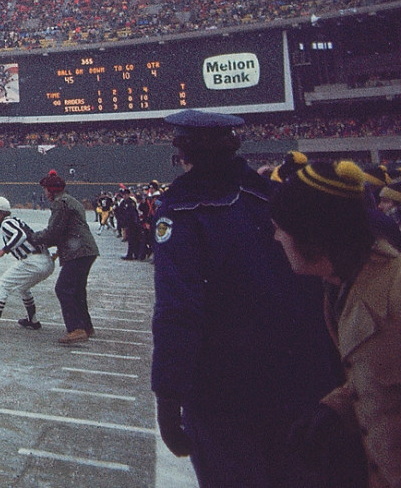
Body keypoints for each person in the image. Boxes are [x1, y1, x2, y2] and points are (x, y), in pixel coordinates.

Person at [151, 111, 343, 488]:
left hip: (223, 388)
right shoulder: (273, 196)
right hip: (300, 375)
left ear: (182, 149)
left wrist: (168, 394)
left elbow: (178, 309)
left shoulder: (182, 209)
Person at [269, 160, 400, 487]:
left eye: (281, 228)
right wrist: (335, 409)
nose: (275, 237)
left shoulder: (394, 289)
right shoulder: (342, 285)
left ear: (310, 236)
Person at [29, 170, 98, 344]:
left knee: (63, 289)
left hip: (78, 251)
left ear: (51, 190)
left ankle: (76, 329)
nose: (44, 193)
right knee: (77, 290)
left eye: (45, 190)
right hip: (86, 250)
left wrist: (32, 238)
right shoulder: (71, 201)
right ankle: (86, 326)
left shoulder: (60, 203)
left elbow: (54, 232)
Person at [0, 196, 54, 334]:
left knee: (1, 285)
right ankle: (32, 320)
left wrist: (3, 251)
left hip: (33, 261)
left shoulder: (6, 223)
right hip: (45, 261)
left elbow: (20, 235)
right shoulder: (15, 221)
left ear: (0, 212)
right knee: (23, 288)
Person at [114, 187, 141, 259]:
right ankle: (133, 254)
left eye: (126, 194)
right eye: (123, 195)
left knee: (133, 240)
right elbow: (120, 213)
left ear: (129, 195)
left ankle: (133, 254)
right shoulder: (123, 203)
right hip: (127, 224)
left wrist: (135, 223)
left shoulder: (131, 202)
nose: (124, 196)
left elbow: (133, 214)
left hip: (132, 224)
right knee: (130, 240)